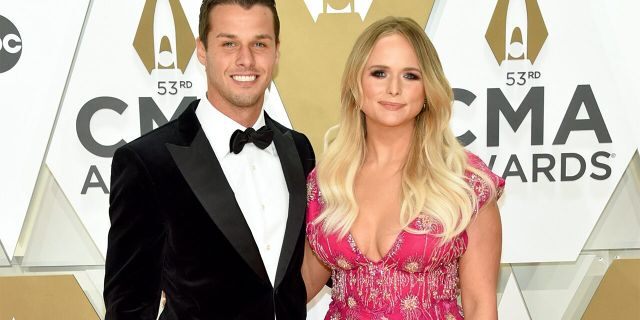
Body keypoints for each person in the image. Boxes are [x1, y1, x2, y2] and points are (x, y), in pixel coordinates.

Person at [103, 1, 314, 319]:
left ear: (276, 52)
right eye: (229, 43)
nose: (246, 59)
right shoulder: (148, 163)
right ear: (202, 50)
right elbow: (129, 306)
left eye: (259, 43)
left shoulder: (298, 150)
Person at [302, 17, 505, 319]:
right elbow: (301, 284)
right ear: (357, 86)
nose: (393, 88)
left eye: (410, 76)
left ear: (427, 91)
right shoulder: (328, 181)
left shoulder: (464, 182)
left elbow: (480, 304)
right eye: (379, 73)